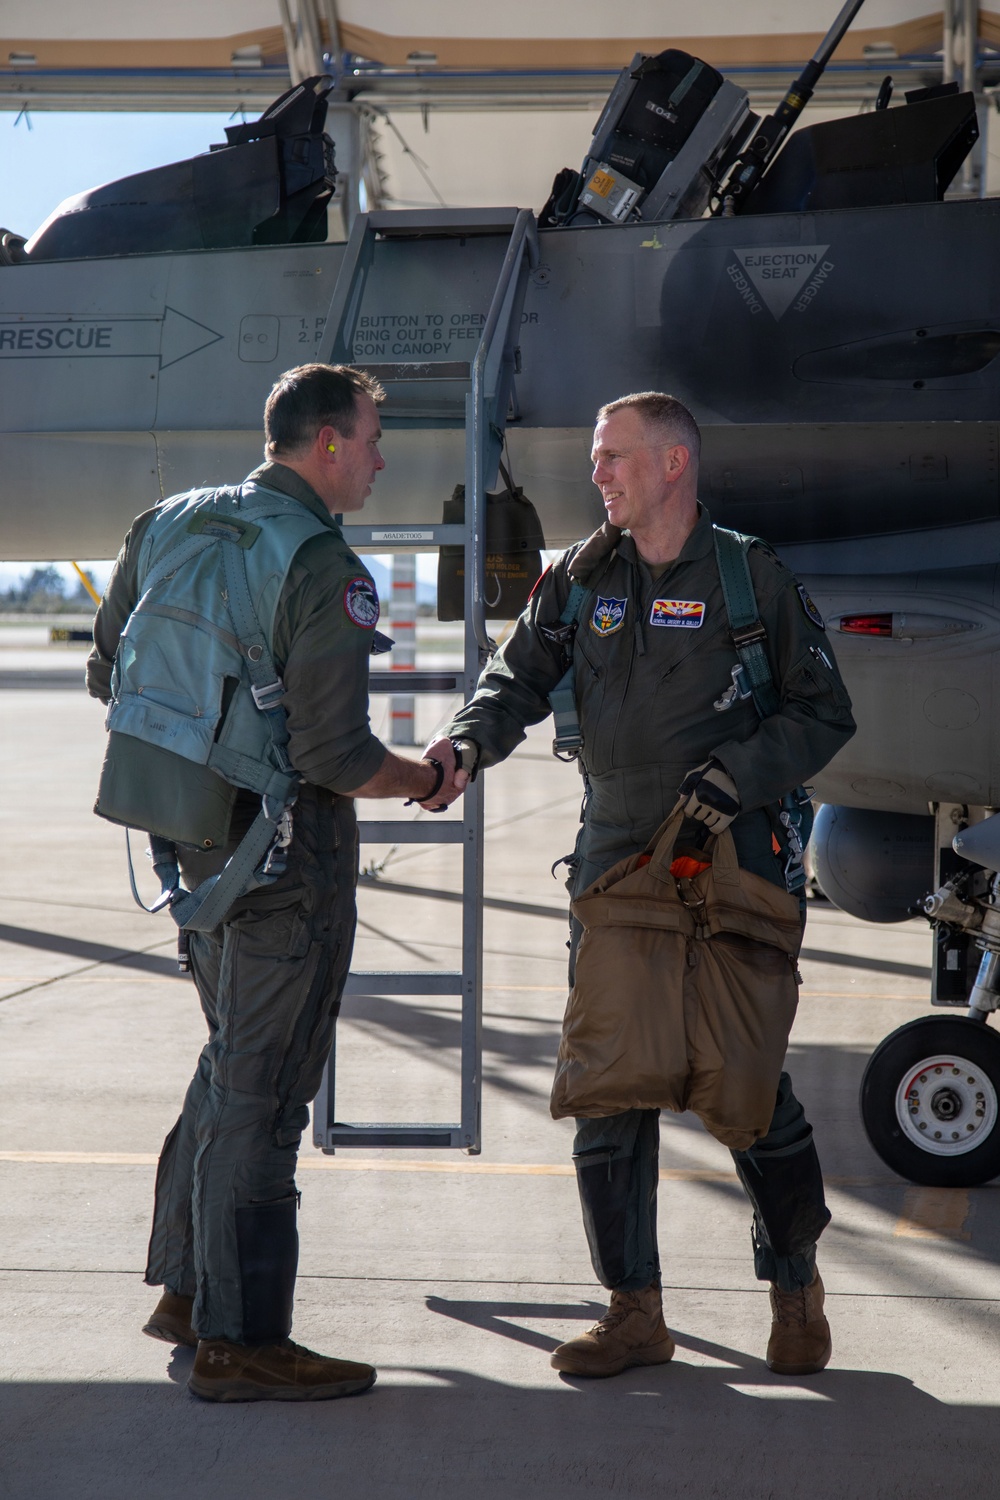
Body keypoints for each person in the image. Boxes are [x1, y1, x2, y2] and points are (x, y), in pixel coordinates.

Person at [428, 391, 856, 1380]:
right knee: (609, 1082)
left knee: (745, 1085)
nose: (597, 473)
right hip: (616, 853)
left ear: (671, 465)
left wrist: (735, 775)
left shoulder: (749, 577)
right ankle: (634, 1311)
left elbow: (822, 714)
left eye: (613, 457)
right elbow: (514, 679)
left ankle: (795, 1284)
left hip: (729, 852)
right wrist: (465, 743)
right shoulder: (581, 579)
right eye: (595, 457)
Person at [87, 363, 463, 1403]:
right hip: (283, 873)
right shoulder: (319, 564)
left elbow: (107, 669)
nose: (382, 457)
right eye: (372, 438)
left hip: (192, 851)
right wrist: (425, 779)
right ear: (326, 445)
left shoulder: (169, 521)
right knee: (262, 1101)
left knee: (226, 1069)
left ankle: (189, 1292)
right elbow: (338, 756)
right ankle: (241, 1341)